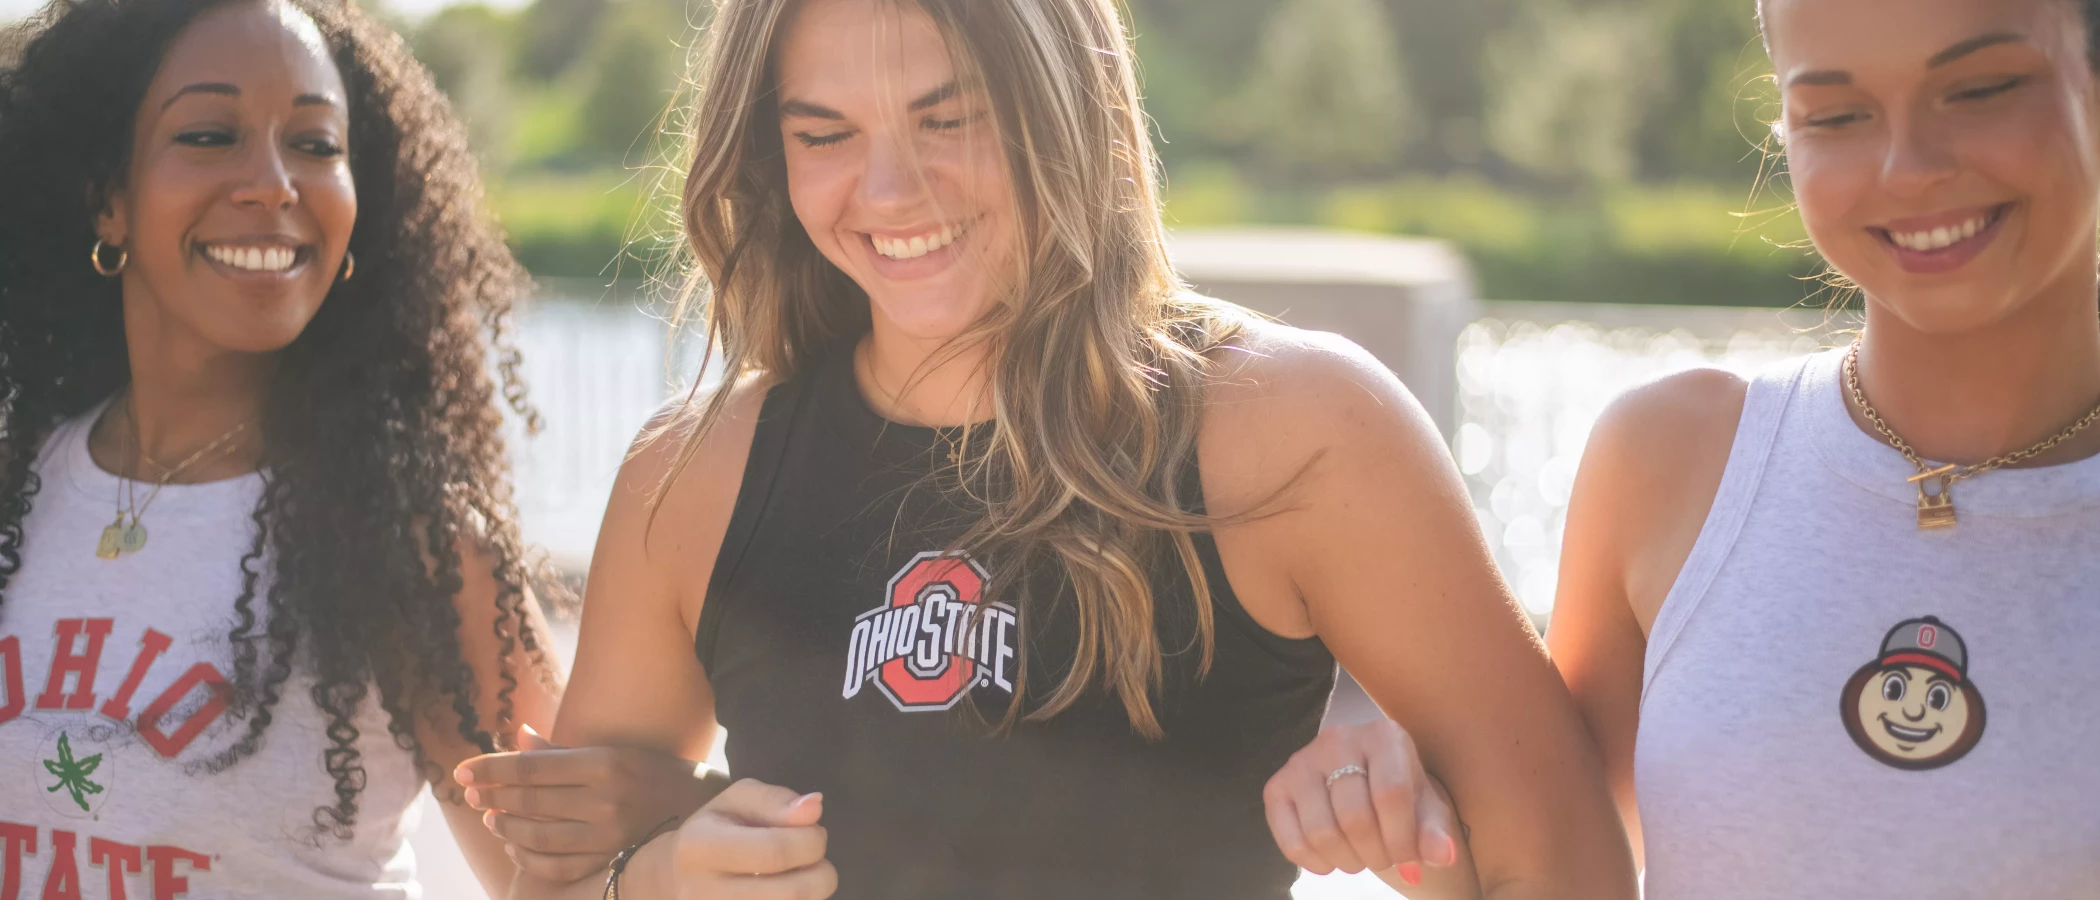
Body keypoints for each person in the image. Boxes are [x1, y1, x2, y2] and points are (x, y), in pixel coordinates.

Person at [459, 0, 1637, 897]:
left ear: (1069, 102)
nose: (889, 189)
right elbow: (562, 868)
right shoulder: (692, 476)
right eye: (825, 133)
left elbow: (1567, 851)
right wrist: (655, 874)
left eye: (949, 116)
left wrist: (1422, 856)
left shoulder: (1294, 430)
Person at [1287, 0, 2100, 895]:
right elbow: (1553, 876)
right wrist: (1403, 817)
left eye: (1980, 91)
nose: (1908, 167)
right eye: (1835, 115)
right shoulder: (1670, 467)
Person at [0, 0, 702, 895]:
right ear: (109, 200)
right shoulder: (17, 481)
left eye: (316, 144)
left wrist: (698, 805)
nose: (273, 183)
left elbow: (583, 878)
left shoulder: (414, 544)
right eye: (211, 135)